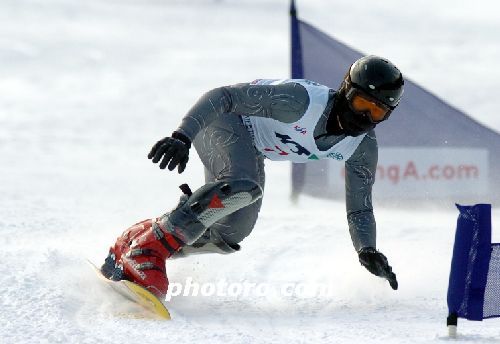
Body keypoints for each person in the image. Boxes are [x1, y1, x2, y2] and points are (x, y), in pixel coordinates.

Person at [101, 55, 404, 298]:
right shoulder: (300, 103)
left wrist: (367, 249)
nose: (365, 118)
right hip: (223, 119)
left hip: (251, 147)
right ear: (345, 91)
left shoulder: (361, 147)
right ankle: (148, 251)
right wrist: (182, 136)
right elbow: (222, 96)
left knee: (229, 233)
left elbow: (360, 207)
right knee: (244, 188)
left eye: (377, 113)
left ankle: (142, 239)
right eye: (362, 104)